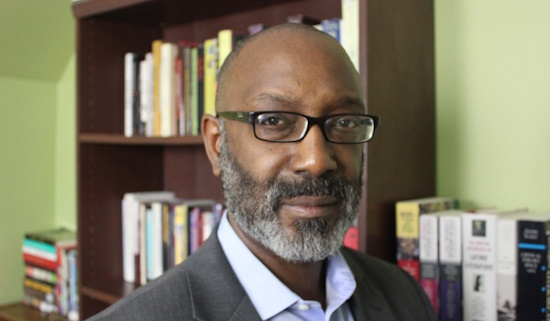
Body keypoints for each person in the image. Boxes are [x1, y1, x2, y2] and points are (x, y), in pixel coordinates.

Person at [88, 23, 436, 321]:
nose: (316, 160)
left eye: (344, 122)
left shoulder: (403, 296)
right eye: (273, 121)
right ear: (216, 144)